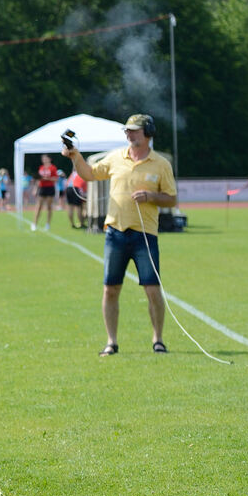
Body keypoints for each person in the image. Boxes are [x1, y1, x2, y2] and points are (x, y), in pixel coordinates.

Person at [64, 113, 177, 356]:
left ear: (148, 133)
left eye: (134, 130)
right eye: (127, 130)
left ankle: (158, 339)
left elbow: (172, 199)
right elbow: (90, 174)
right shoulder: (116, 157)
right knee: (110, 289)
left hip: (145, 236)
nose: (128, 134)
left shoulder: (161, 164)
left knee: (152, 289)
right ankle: (111, 341)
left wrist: (150, 197)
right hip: (115, 233)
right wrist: (75, 156)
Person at [32, 154, 58, 231]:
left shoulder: (53, 168)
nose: (44, 160)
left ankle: (47, 224)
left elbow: (55, 179)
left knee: (49, 207)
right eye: (43, 159)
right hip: (42, 188)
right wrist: (35, 189)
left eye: (45, 158)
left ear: (49, 159)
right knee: (38, 206)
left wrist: (47, 178)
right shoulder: (41, 167)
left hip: (50, 188)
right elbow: (38, 179)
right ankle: (34, 224)